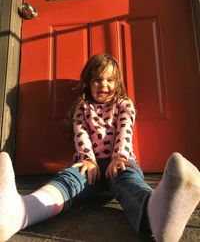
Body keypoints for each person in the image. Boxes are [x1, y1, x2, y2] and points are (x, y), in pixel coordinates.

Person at [0, 54, 200, 242]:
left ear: (118, 83)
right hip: (89, 165)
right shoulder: (82, 108)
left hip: (119, 162)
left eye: (110, 80)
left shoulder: (124, 105)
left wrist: (120, 157)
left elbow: (125, 131)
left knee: (130, 181)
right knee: (68, 180)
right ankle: (19, 212)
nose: (104, 85)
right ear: (87, 82)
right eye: (97, 80)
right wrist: (87, 159)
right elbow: (81, 134)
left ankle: (159, 215)